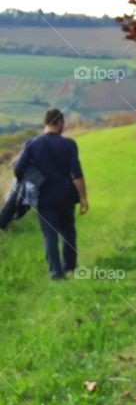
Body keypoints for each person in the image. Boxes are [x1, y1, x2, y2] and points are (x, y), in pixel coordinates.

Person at [13, 109, 88, 280]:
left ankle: (56, 273)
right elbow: (77, 174)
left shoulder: (32, 144)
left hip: (44, 195)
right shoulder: (69, 144)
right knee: (68, 230)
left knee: (50, 234)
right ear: (60, 122)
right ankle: (69, 267)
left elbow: (18, 169)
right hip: (66, 194)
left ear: (45, 123)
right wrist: (83, 198)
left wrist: (32, 181)